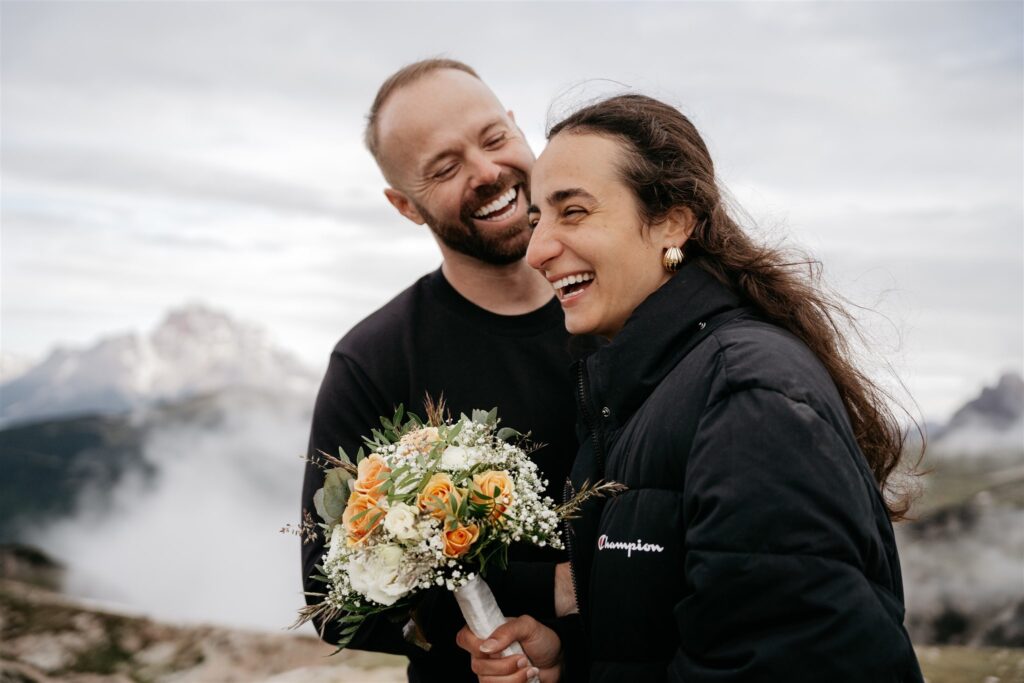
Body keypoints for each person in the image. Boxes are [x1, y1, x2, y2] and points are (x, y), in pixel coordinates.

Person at [457, 94, 924, 682]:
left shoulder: (745, 394)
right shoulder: (639, 392)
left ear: (674, 222)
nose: (536, 250)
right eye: (535, 220)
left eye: (572, 212)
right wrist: (570, 667)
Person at [300, 59, 584, 682]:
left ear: (517, 127)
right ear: (404, 205)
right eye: (446, 168)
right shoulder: (373, 361)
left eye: (492, 138)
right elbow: (330, 597)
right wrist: (540, 594)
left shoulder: (622, 301)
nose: (488, 173)